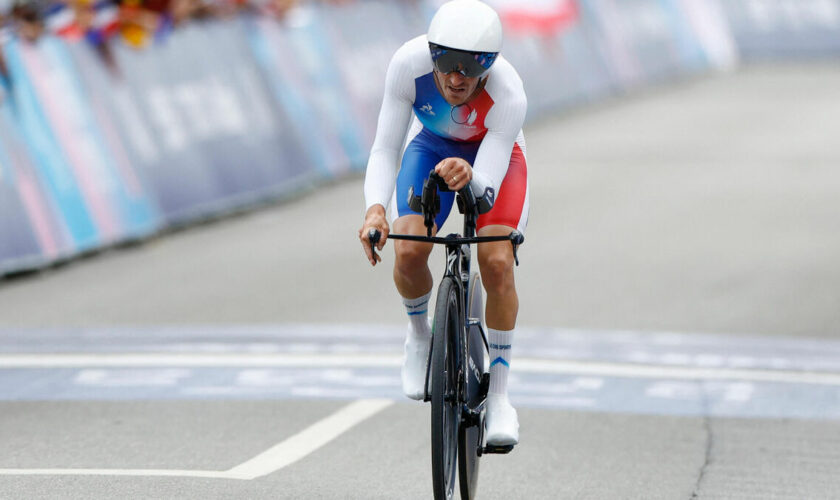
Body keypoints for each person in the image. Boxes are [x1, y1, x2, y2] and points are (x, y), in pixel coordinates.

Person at [358, 0, 528, 446]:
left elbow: (487, 185)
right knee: (410, 249)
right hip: (431, 149)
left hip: (495, 160)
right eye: (447, 64)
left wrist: (473, 179)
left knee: (496, 263)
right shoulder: (407, 65)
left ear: (490, 66)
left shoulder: (509, 93)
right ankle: (419, 336)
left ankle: (501, 398)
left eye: (470, 69)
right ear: (431, 54)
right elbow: (384, 149)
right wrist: (376, 207)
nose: (456, 78)